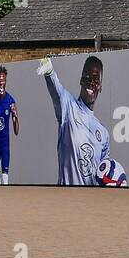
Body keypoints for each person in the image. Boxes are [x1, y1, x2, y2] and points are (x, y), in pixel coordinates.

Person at [37, 55, 110, 185]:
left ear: (100, 86)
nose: (91, 83)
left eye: (96, 80)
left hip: (91, 202)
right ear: (81, 80)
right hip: (66, 200)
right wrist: (49, 72)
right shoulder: (68, 107)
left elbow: (105, 173)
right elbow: (56, 91)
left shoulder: (103, 133)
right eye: (87, 77)